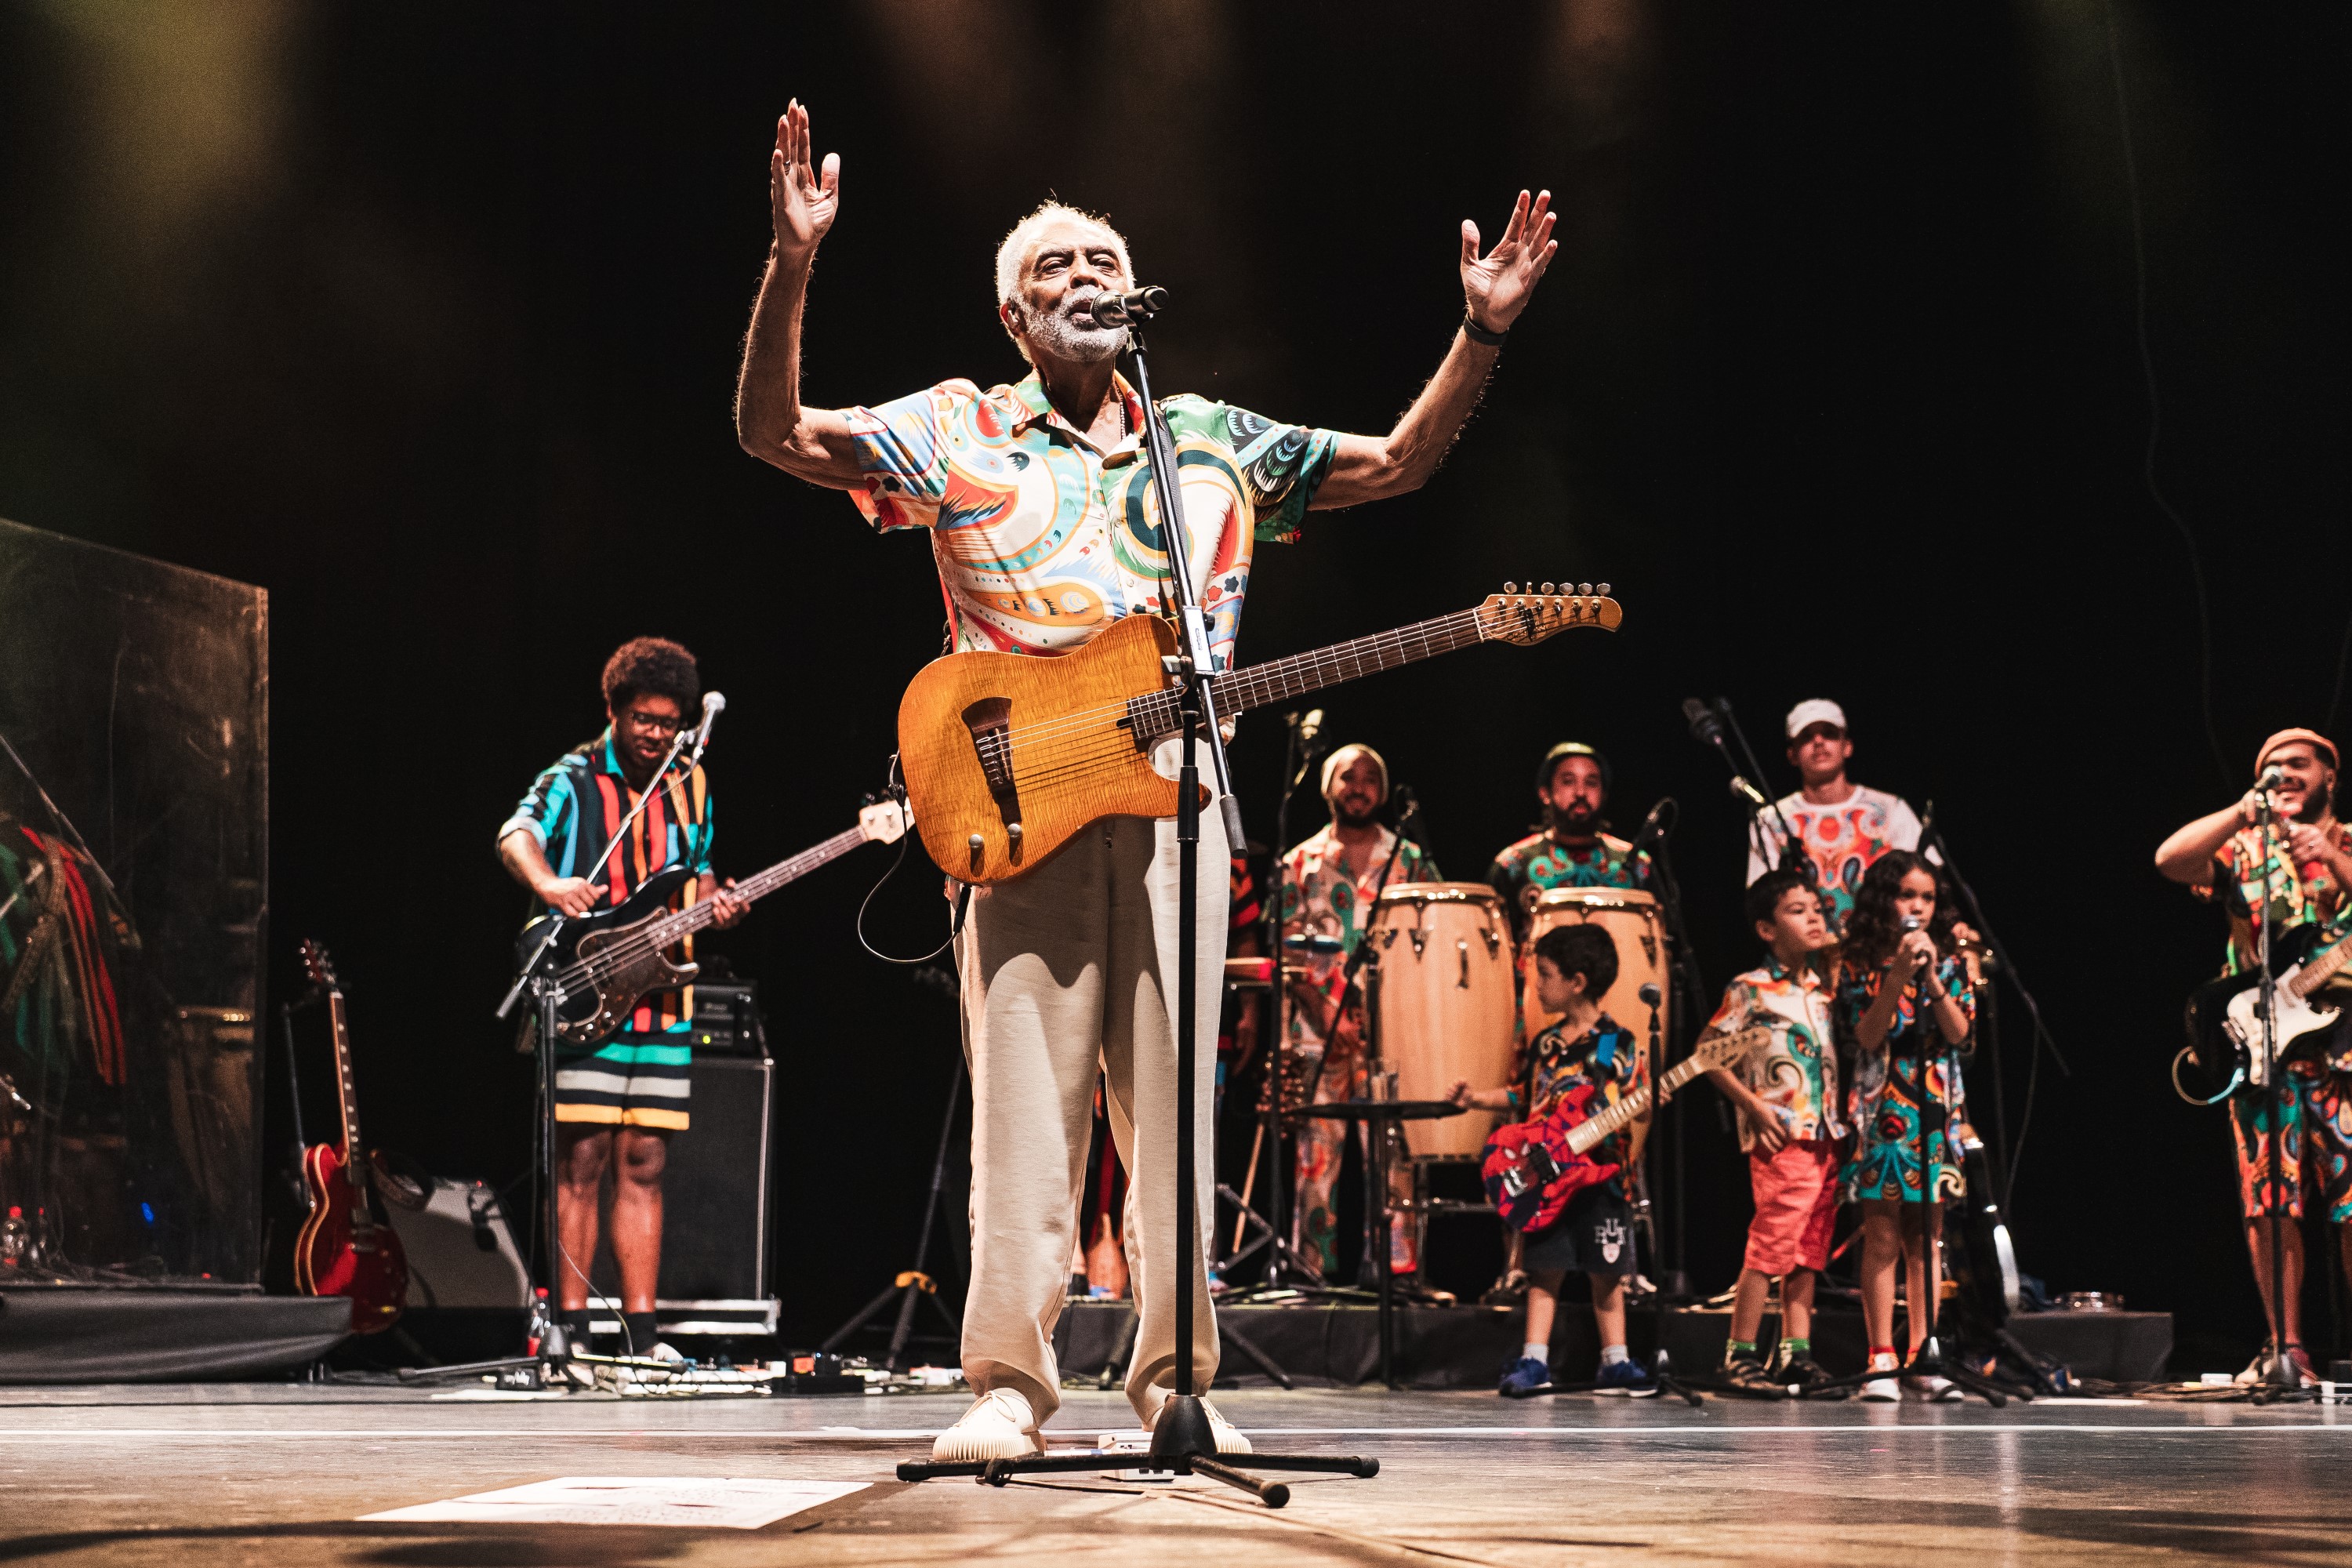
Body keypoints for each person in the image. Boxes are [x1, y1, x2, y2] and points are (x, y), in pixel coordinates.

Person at [733, 100, 1559, 1461]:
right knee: (1025, 1106)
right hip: (1017, 805)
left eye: (1100, 264)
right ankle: (1007, 1384)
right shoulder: (962, 431)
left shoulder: (1211, 443)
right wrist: (794, 261)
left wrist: (1481, 333)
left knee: (1178, 1106)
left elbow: (1400, 464)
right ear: (1013, 316)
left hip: (1178, 797)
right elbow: (775, 434)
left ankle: (1177, 1382)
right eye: (1052, 269)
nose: (1082, 280)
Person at [495, 637, 747, 1360]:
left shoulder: (690, 783)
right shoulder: (575, 777)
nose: (656, 734)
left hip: (663, 999)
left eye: (669, 722)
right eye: (643, 719)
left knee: (644, 1160)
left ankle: (642, 1338)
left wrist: (718, 902)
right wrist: (549, 886)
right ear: (613, 710)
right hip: (586, 989)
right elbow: (517, 834)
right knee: (584, 1158)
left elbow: (693, 876)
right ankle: (570, 1331)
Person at [2155, 728, 2352, 1388]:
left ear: (2330, 772)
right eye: (2270, 767)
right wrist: (2243, 812)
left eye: (2298, 764)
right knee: (2270, 1200)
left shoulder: (2348, 840)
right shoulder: (2246, 847)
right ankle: (2285, 1347)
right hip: (2266, 1049)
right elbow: (2170, 860)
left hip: (2345, 1052)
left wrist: (2332, 854)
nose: (2283, 774)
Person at [1450, 923, 1652, 1396]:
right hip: (1548, 1173)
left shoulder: (1618, 1043)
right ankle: (1533, 1359)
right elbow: (1525, 1097)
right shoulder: (1546, 1044)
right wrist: (1475, 1099)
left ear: (1577, 982)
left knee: (1608, 1270)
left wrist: (1633, 1104)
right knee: (1545, 1269)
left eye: (1544, 975)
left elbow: (1631, 1099)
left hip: (1601, 1174)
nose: (1537, 985)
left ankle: (1616, 1361)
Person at [1279, 744, 1436, 1286]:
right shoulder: (1299, 862)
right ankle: (1310, 1277)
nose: (1360, 787)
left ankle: (1397, 1280)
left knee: (1395, 1160)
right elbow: (1284, 950)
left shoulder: (1409, 859)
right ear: (1328, 787)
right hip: (1316, 1035)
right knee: (1316, 1163)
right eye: (1350, 776)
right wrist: (1326, 1011)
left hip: (1392, 1034)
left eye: (1372, 778)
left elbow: (1432, 940)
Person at [1700, 869, 1847, 1396]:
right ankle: (1739, 1352)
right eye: (1797, 910)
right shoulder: (1751, 989)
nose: (1813, 917)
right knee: (1771, 1244)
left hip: (1825, 1132)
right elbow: (1707, 1056)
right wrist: (1753, 1108)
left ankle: (1795, 1351)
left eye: (1816, 907)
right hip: (1781, 1134)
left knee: (1809, 1248)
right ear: (1766, 929)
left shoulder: (1822, 989)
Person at [1836, 850, 1974, 1402]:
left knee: (1927, 1236)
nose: (1918, 906)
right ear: (1883, 899)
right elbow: (1869, 1036)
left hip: (1935, 1106)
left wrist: (1934, 979)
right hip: (1882, 1105)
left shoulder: (1950, 961)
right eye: (1907, 895)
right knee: (1883, 1232)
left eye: (1927, 897)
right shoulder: (1859, 960)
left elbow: (1960, 1034)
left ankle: (1925, 1351)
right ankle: (1881, 1355)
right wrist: (1897, 973)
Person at [1744, 699, 1926, 924]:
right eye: (1806, 737)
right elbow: (1761, 901)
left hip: (1884, 951)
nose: (1819, 742)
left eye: (1829, 734)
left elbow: (1925, 884)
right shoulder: (1770, 820)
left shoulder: (1891, 809)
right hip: (1805, 958)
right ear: (1791, 755)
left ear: (1847, 746)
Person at [1486, 742, 1651, 939]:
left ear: (1604, 794)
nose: (1580, 793)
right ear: (1545, 793)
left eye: (1591, 783)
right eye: (1568, 781)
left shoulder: (1636, 863)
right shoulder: (1514, 863)